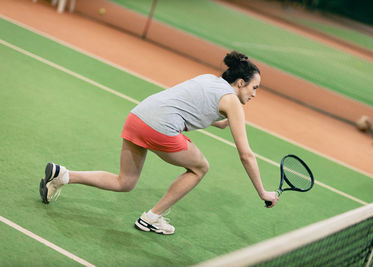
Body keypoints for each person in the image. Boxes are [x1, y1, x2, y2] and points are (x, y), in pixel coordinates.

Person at [39, 51, 279, 235]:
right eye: (254, 87)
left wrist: (224, 121)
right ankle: (152, 218)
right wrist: (262, 192)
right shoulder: (232, 102)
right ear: (240, 83)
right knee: (200, 167)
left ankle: (62, 175)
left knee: (125, 182)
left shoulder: (209, 79)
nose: (255, 93)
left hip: (138, 116)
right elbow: (246, 155)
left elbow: (194, 108)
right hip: (160, 128)